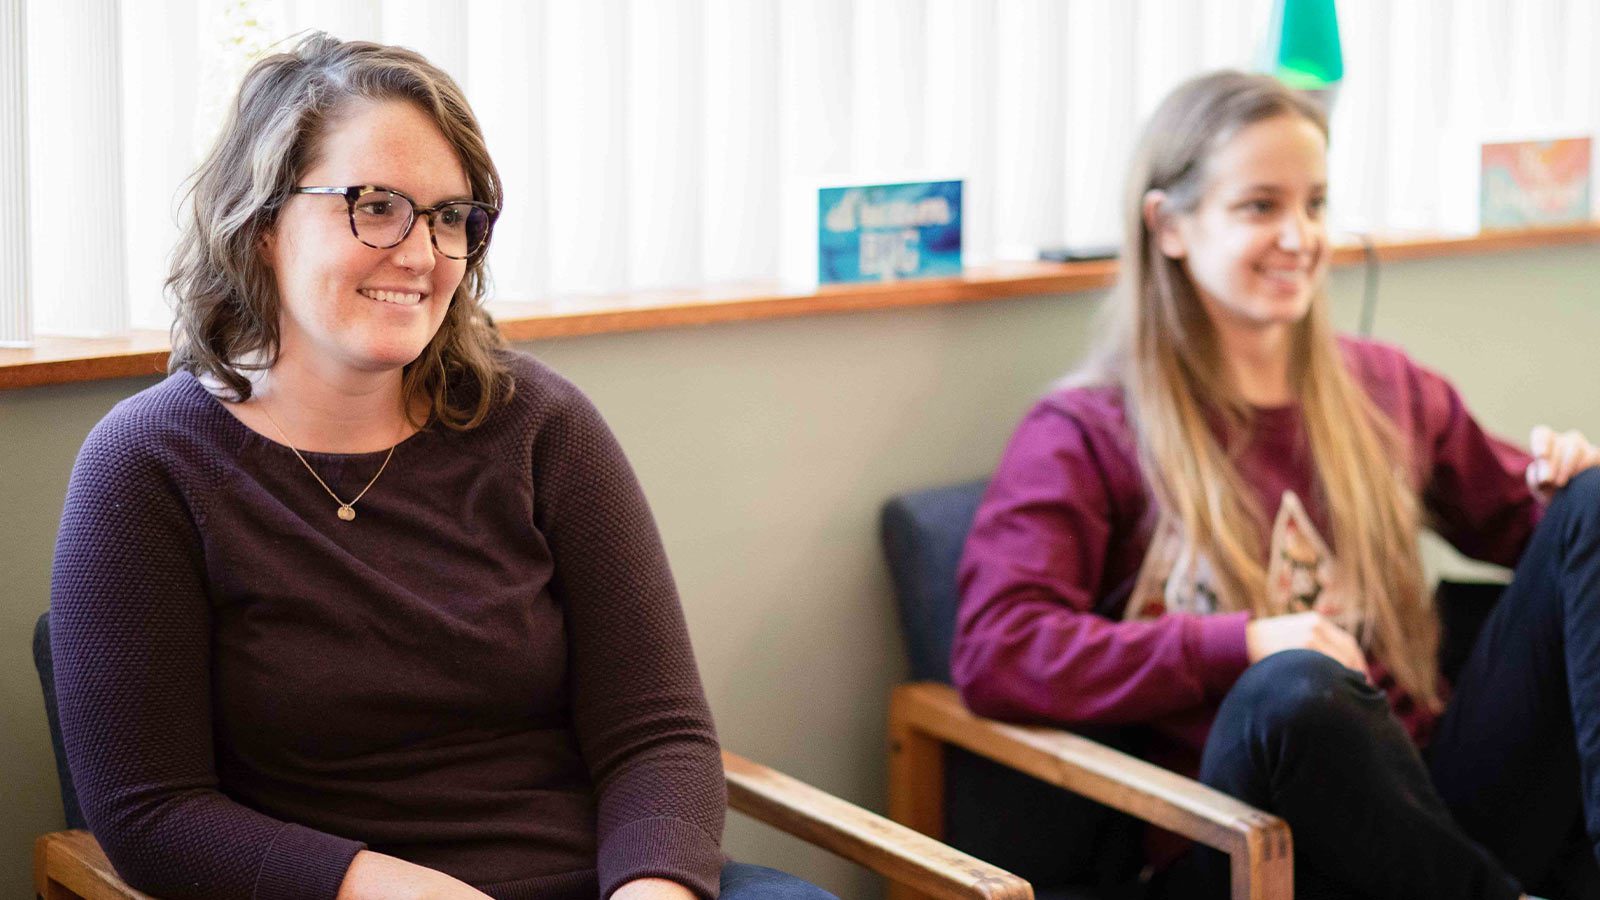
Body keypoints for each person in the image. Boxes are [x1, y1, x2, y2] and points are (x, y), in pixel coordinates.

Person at [49, 34, 832, 900]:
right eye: (376, 205)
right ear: (263, 222)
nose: (423, 254)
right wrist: (392, 888)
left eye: (452, 216)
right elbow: (151, 813)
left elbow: (657, 734)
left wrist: (655, 889)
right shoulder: (148, 465)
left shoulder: (540, 424)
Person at [953, 70, 1600, 900]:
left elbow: (1531, 530)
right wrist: (1245, 642)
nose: (1300, 237)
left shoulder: (1386, 388)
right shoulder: (1085, 432)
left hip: (1434, 807)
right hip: (1247, 844)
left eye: (1316, 204)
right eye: (1260, 206)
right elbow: (998, 649)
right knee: (1295, 692)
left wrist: (1560, 484)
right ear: (1170, 226)